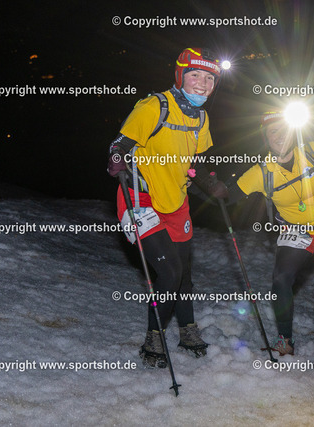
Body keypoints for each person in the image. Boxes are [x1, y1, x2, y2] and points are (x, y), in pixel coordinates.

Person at [107, 47, 228, 368]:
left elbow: (197, 163)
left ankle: (187, 330)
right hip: (140, 198)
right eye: (194, 75)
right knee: (170, 272)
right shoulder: (154, 106)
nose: (202, 83)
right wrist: (117, 161)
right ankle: (154, 338)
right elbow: (119, 145)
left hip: (176, 202)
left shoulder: (201, 118)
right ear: (180, 76)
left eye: (209, 78)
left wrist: (211, 185)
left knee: (183, 274)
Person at [226, 111, 314, 356]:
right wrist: (196, 181)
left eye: (284, 130)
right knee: (281, 279)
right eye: (273, 131)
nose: (280, 136)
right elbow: (226, 196)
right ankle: (285, 339)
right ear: (266, 138)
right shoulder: (261, 173)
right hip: (297, 230)